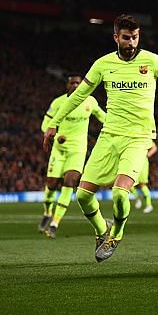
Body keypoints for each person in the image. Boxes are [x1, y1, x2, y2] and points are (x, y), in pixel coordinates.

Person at [43, 14, 158, 262]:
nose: (131, 42)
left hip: (138, 138)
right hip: (109, 136)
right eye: (126, 38)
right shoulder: (103, 64)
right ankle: (101, 230)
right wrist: (53, 123)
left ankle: (117, 233)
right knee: (82, 195)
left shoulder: (152, 61)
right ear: (116, 37)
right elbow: (79, 95)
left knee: (119, 194)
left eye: (135, 37)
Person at [38, 74, 106, 239]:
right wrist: (57, 135)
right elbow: (44, 125)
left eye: (78, 83)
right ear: (67, 86)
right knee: (52, 185)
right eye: (72, 83)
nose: (76, 85)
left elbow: (104, 118)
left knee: (69, 183)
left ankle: (54, 223)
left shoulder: (90, 101)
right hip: (59, 150)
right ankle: (47, 212)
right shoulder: (58, 103)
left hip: (78, 150)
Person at [130, 141, 157, 213]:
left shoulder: (144, 135)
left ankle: (149, 205)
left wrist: (148, 154)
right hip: (132, 162)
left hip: (142, 163)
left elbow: (154, 148)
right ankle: (137, 198)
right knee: (129, 183)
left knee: (142, 184)